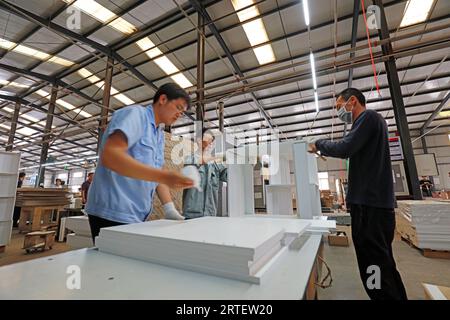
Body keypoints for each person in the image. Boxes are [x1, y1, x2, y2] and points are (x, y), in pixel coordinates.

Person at [308, 88, 407, 300]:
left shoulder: (368, 118)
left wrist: (319, 143)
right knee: (383, 265)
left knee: (373, 267)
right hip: (373, 207)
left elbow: (345, 147)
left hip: (369, 209)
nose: (339, 112)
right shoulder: (370, 124)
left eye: (338, 106)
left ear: (352, 101)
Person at [85, 83, 194, 242]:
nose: (179, 114)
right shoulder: (135, 115)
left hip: (135, 215)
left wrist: (170, 209)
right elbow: (111, 155)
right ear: (162, 99)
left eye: (182, 112)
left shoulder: (159, 134)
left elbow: (157, 174)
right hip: (112, 212)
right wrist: (164, 176)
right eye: (178, 107)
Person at [183, 129, 227, 219]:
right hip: (192, 215)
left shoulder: (216, 164)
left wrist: (244, 166)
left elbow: (229, 177)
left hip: (210, 214)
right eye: (208, 139)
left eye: (212, 141)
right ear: (199, 141)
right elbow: (191, 171)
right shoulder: (190, 159)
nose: (211, 143)